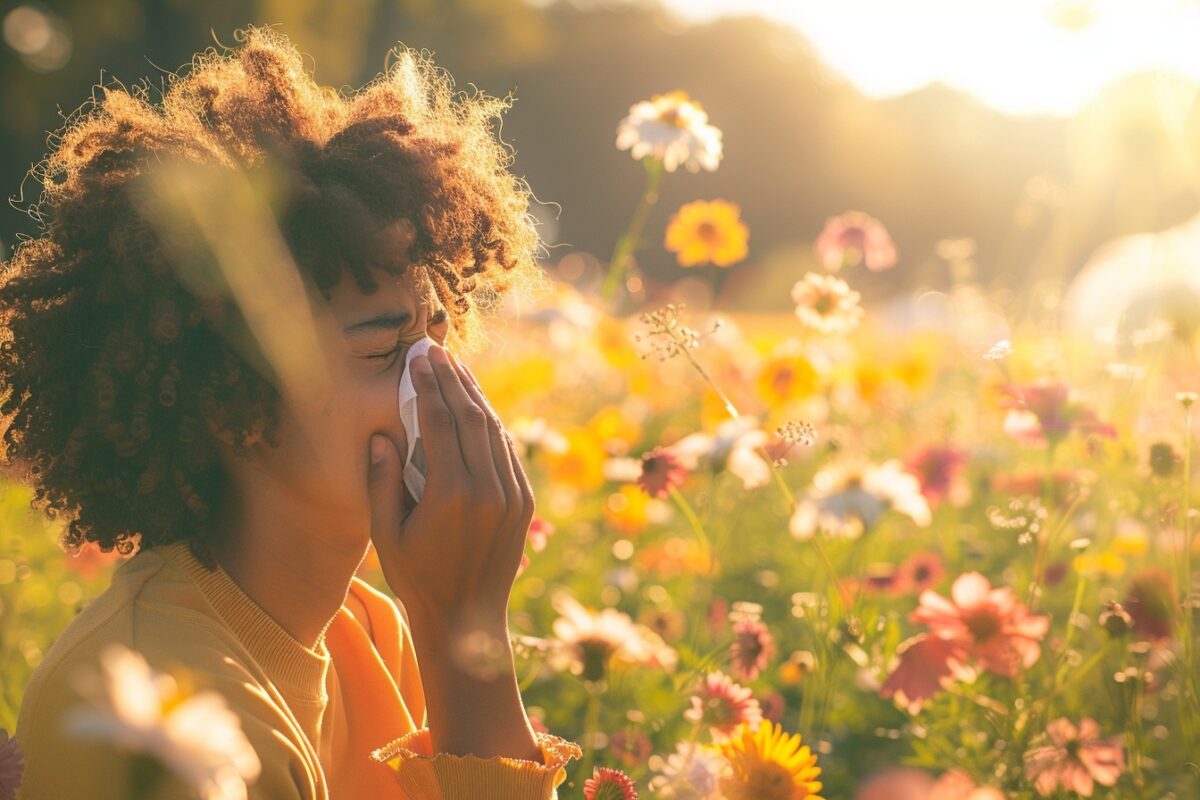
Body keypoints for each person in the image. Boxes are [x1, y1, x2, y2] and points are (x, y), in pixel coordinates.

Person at [2, 23, 579, 799]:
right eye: (382, 351)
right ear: (227, 402)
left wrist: (457, 628)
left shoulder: (371, 630)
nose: (438, 379)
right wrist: (460, 629)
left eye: (438, 330)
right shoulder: (147, 705)